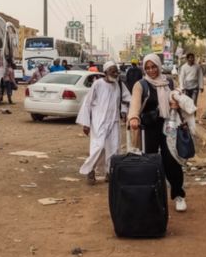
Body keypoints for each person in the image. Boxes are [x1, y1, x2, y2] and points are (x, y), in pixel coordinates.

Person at [127, 53, 187, 212]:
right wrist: (133, 118)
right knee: (149, 162)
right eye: (147, 67)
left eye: (153, 66)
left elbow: (177, 99)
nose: (151, 70)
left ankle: (178, 195)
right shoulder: (141, 85)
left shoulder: (169, 82)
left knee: (172, 160)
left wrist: (179, 110)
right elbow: (134, 103)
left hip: (169, 125)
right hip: (149, 127)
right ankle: (151, 197)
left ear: (159, 66)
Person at [76, 61, 132, 185]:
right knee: (98, 147)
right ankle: (90, 170)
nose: (115, 73)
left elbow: (126, 99)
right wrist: (86, 123)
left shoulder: (119, 84)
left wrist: (124, 111)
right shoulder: (97, 84)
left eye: (116, 70)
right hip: (98, 121)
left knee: (114, 148)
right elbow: (87, 103)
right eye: (112, 70)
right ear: (106, 72)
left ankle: (110, 172)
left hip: (114, 121)